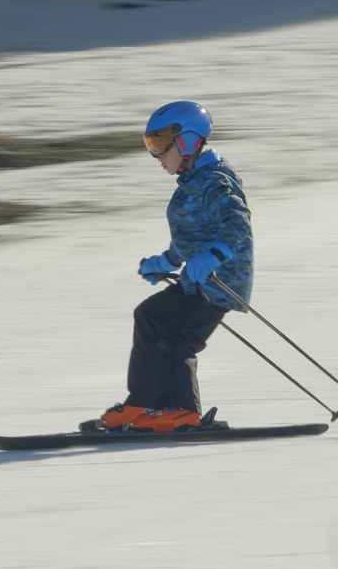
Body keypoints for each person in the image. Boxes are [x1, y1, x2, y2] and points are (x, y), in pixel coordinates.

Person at [94, 100, 254, 433]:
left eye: (160, 144)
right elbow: (189, 238)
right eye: (150, 144)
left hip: (221, 283)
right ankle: (144, 403)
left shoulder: (216, 182)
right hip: (197, 281)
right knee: (150, 317)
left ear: (188, 141)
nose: (156, 155)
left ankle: (183, 413)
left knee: (178, 340)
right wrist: (164, 262)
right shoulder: (192, 183)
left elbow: (237, 227)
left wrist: (213, 256)